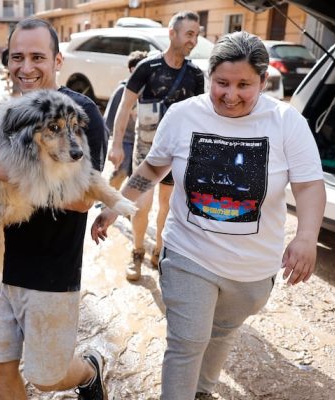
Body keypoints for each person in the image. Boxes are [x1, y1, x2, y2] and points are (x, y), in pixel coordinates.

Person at [90, 31, 326, 400]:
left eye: (244, 84)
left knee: (220, 332)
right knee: (187, 341)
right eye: (222, 83)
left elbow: (309, 185)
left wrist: (306, 237)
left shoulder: (286, 123)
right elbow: (152, 169)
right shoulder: (184, 115)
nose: (231, 95)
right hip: (189, 253)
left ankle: (201, 391)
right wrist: (115, 204)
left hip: (253, 270)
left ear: (263, 82)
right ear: (208, 77)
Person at [0, 18, 108, 400]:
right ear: (6, 62)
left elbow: (82, 200)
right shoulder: (5, 114)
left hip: (49, 271)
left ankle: (89, 372)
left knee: (47, 376)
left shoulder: (80, 114)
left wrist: (13, 174)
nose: (26, 67)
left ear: (57, 60)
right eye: (17, 57)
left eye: (37, 57)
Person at [108, 11, 205, 281]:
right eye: (189, 34)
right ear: (172, 33)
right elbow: (125, 107)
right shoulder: (147, 68)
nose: (193, 40)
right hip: (146, 151)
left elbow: (199, 117)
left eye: (196, 35)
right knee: (141, 205)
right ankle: (137, 251)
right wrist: (116, 145)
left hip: (178, 154)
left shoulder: (195, 74)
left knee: (168, 206)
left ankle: (159, 250)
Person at [102, 50, 147, 190]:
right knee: (120, 172)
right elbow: (109, 119)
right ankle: (109, 198)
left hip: (142, 141)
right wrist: (115, 144)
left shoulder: (150, 92)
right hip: (125, 141)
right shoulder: (122, 90)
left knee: (136, 177)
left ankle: (130, 206)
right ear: (131, 70)